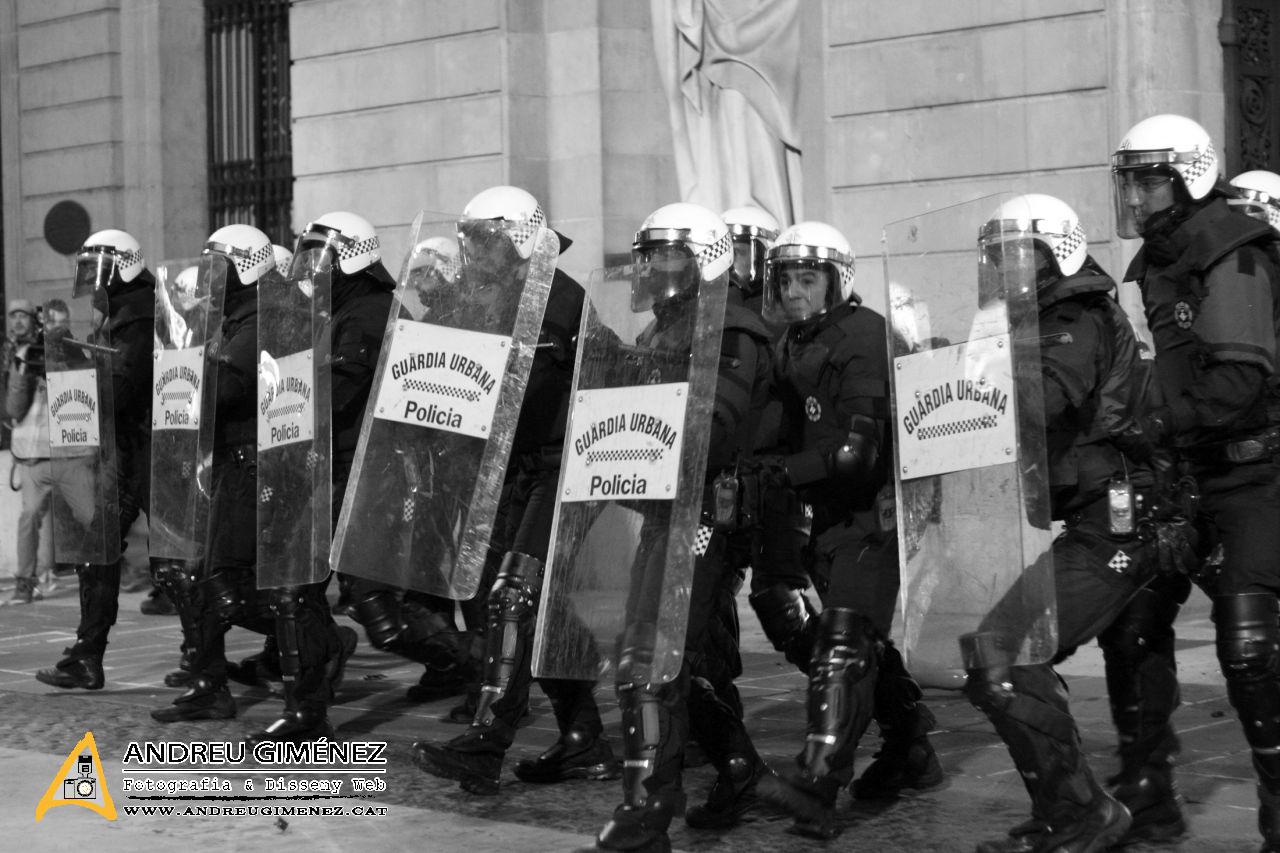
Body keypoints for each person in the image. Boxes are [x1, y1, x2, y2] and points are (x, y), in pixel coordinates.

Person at [408, 187, 621, 795]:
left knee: (514, 595)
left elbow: (528, 391)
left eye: (485, 239)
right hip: (515, 468)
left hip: (569, 463)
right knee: (535, 604)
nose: (472, 250)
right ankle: (586, 739)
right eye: (470, 238)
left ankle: (487, 740)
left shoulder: (555, 296)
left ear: (520, 239)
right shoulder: (484, 297)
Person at [965, 194, 1161, 853]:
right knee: (998, 651)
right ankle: (1063, 807)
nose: (1004, 269)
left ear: (1057, 251)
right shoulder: (1033, 321)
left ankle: (1086, 813)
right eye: (997, 257)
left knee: (1007, 648)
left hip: (1119, 522)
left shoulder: (1073, 316)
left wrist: (981, 368)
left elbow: (1049, 396)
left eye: (1016, 254)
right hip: (1092, 517)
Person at [1111, 114, 1280, 853]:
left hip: (1254, 471)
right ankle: (1146, 790)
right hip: (1186, 470)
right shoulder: (1159, 258)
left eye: (1147, 179)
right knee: (1131, 621)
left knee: (1246, 643)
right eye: (1133, 180)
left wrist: (1155, 423)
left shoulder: (1233, 251)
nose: (1137, 195)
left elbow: (1239, 379)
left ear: (1188, 174)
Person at [752, 221, 940, 839]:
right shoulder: (791, 339)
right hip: (826, 519)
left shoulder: (861, 335)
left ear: (837, 280)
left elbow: (858, 452)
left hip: (872, 515)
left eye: (808, 278)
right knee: (860, 647)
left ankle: (817, 783)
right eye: (786, 279)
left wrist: (781, 474)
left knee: (841, 646)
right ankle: (911, 746)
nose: (795, 290)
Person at [150, 224, 280, 722]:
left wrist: (194, 362)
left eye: (218, 268)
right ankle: (209, 683)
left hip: (251, 466)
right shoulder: (234, 319)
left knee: (224, 583)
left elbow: (229, 390)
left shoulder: (258, 319)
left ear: (245, 266)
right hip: (226, 462)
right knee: (202, 577)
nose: (210, 279)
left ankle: (320, 640)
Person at [36, 229, 156, 690]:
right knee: (96, 551)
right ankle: (87, 656)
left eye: (97, 267)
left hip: (151, 453)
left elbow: (125, 392)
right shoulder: (119, 312)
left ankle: (307, 644)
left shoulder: (140, 314)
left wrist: (80, 363)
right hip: (125, 452)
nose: (91, 278)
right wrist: (73, 355)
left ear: (121, 265)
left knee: (180, 573)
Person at [5, 298, 51, 604]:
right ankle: (25, 581)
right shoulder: (15, 354)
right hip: (31, 447)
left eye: (24, 315)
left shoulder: (54, 350)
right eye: (13, 316)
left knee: (94, 515)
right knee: (29, 516)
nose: (18, 321)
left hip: (69, 446)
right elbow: (12, 407)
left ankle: (123, 570)